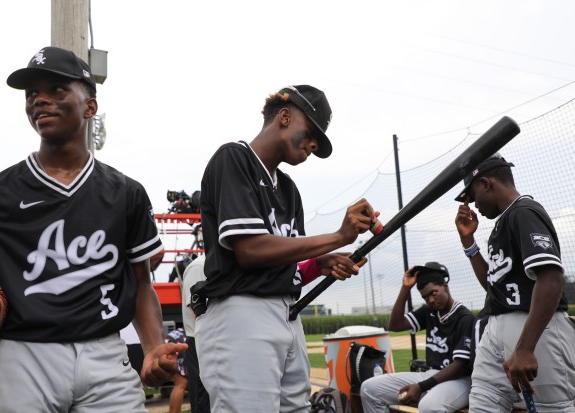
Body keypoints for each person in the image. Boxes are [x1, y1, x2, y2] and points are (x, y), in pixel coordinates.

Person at [0, 46, 186, 412]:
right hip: (23, 355)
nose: (41, 101)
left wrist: (153, 347)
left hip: (106, 355)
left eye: (57, 90)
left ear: (90, 106)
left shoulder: (126, 192)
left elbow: (140, 280)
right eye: (33, 95)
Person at [194, 84, 377, 412]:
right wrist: (338, 236)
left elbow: (285, 263)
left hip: (287, 314)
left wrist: (318, 265)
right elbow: (250, 251)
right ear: (285, 115)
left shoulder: (289, 190)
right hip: (241, 313)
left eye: (317, 143)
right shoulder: (234, 158)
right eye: (311, 134)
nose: (312, 145)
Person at [454, 153, 575, 412]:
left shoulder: (524, 212)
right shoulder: (504, 221)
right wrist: (469, 243)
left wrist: (525, 347)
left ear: (486, 184)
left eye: (473, 196)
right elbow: (493, 287)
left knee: (553, 408)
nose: (473, 205)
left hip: (536, 327)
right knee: (483, 402)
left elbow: (552, 278)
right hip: (497, 325)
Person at [360, 262, 475, 413]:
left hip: (460, 380)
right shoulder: (430, 312)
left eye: (433, 293)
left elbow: (459, 366)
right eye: (425, 297)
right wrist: (405, 288)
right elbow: (395, 324)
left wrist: (421, 387)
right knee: (369, 388)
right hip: (431, 375)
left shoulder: (465, 318)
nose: (431, 300)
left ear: (445, 286)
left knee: (429, 406)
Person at [178, 254, 210, 413]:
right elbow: (195, 308)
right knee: (203, 401)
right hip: (201, 341)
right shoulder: (200, 266)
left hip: (213, 340)